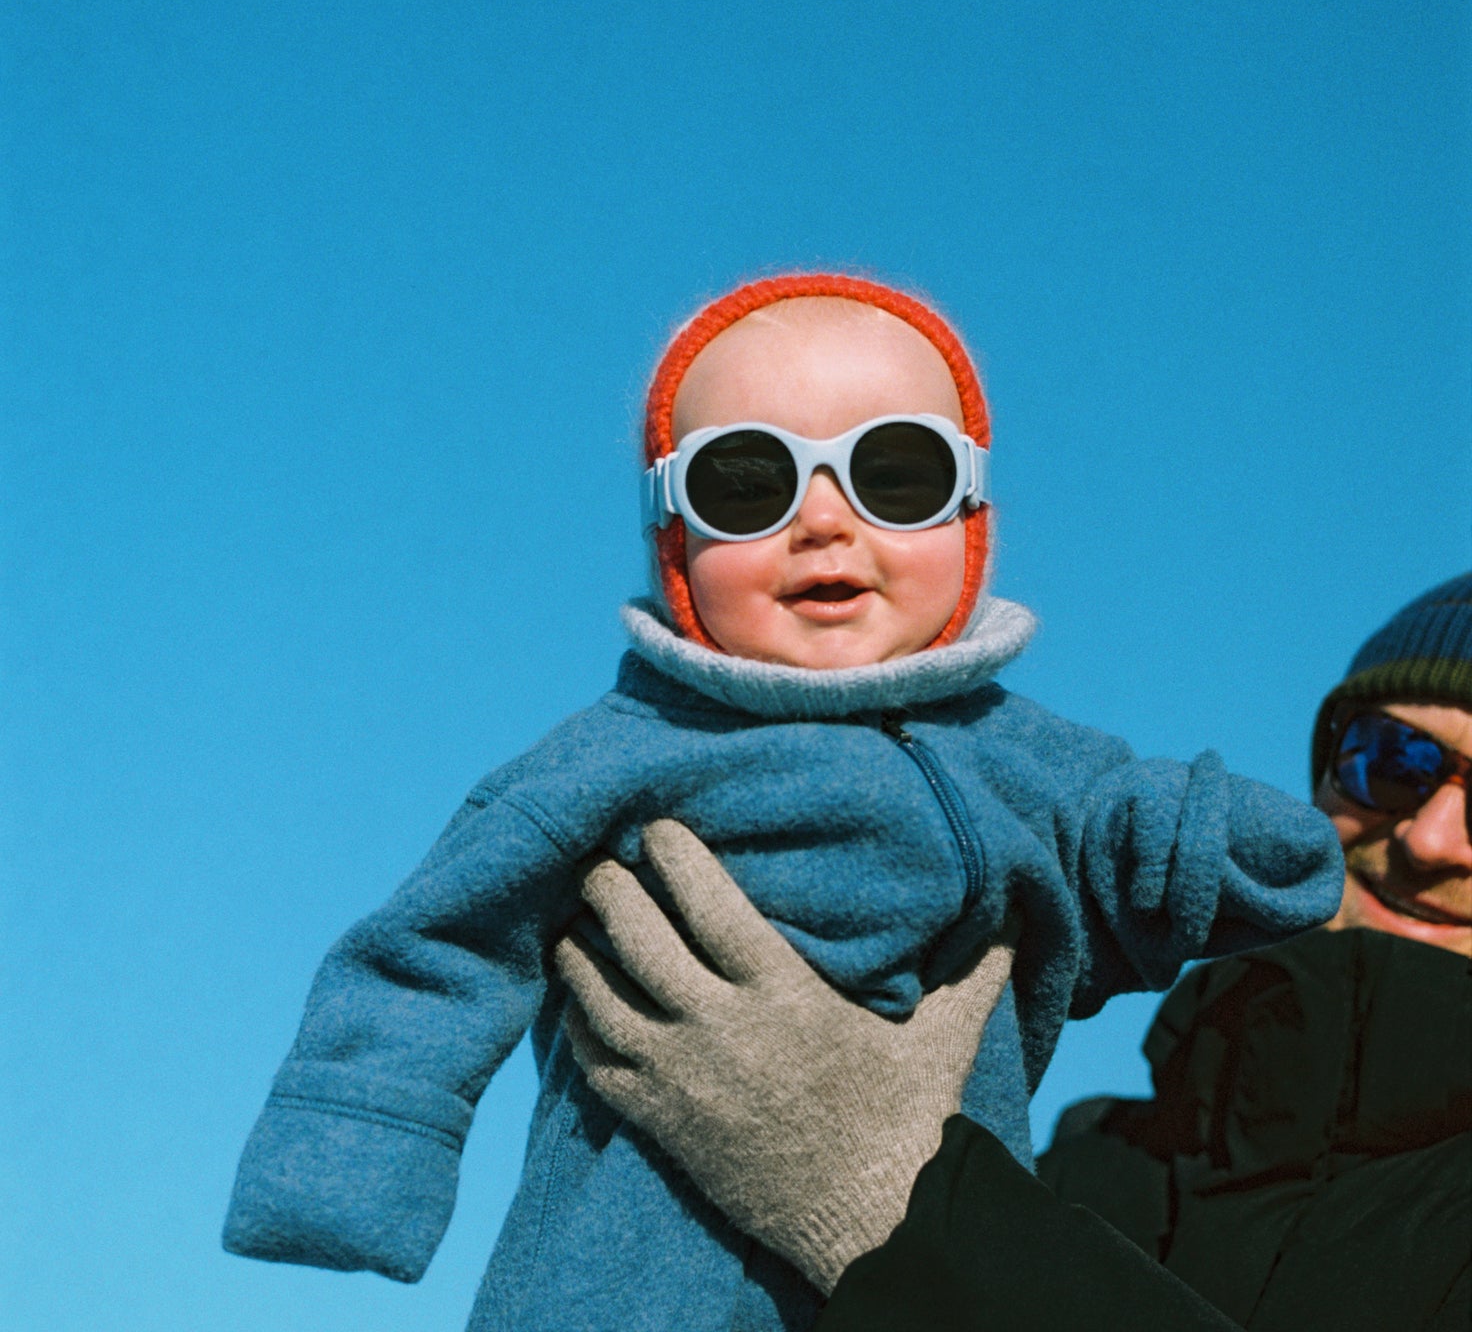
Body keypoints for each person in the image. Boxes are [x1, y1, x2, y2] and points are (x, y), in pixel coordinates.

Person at [222, 273, 1343, 1332]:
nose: (822, 519)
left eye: (892, 473)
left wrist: (1229, 847)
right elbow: (440, 945)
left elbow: (1129, 836)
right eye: (745, 482)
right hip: (626, 1265)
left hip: (924, 1272)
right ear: (676, 540)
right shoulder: (614, 756)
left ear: (969, 520)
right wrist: (354, 1147)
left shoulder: (1025, 758)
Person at [559, 572, 1472, 1330]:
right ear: (1326, 773)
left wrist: (901, 1218)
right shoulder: (1076, 1168)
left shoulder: (980, 1196)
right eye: (1393, 759)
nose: (1431, 840)